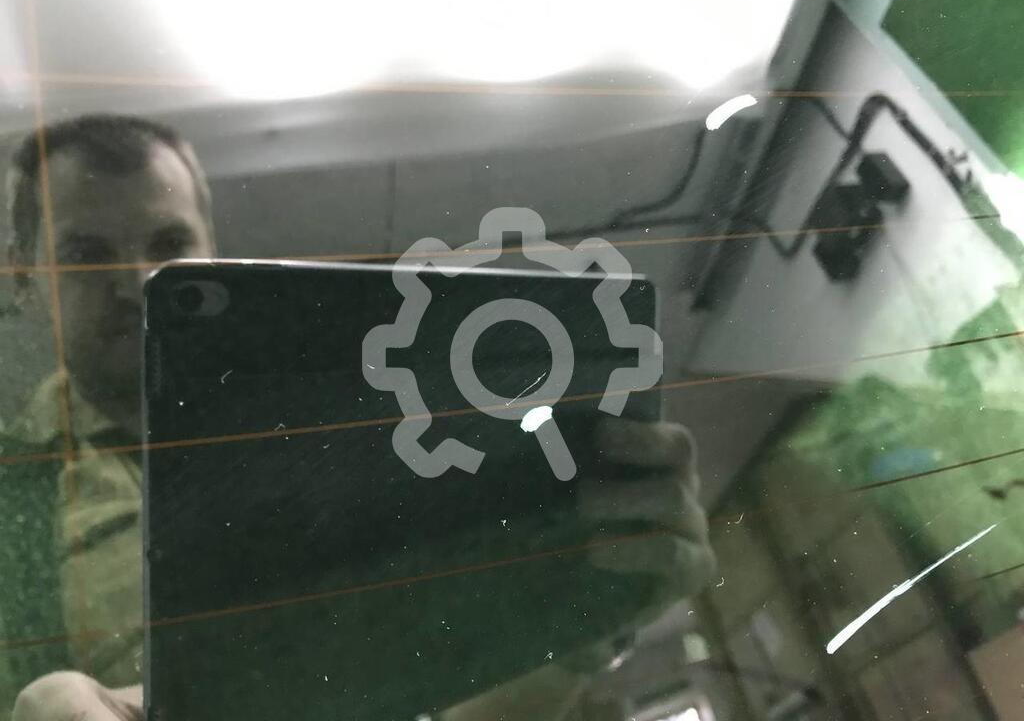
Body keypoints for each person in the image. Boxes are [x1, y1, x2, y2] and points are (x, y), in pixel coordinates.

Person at [2, 114, 714, 720]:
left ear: (209, 251)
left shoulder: (341, 437)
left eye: (168, 245)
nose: (136, 284)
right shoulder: (10, 500)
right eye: (85, 255)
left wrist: (576, 624)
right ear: (24, 278)